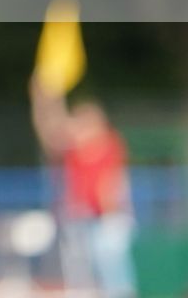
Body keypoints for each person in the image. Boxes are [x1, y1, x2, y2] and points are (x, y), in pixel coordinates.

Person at [31, 79, 135, 298]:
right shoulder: (74, 149)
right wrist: (46, 100)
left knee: (112, 274)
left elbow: (110, 186)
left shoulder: (109, 144)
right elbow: (51, 130)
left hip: (105, 218)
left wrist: (110, 215)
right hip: (79, 218)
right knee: (81, 278)